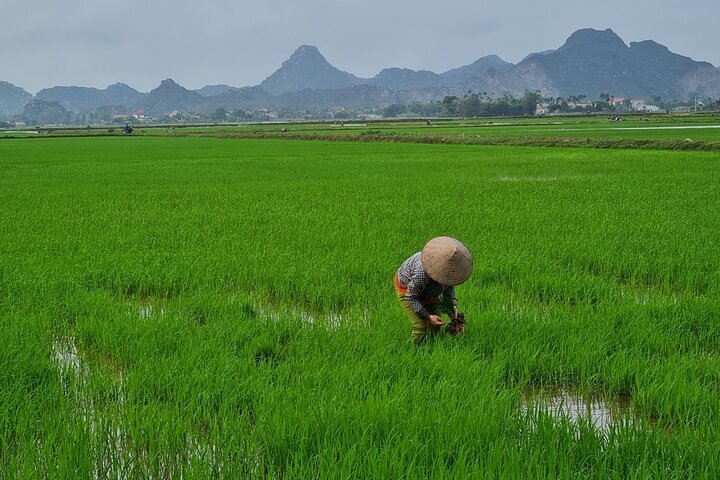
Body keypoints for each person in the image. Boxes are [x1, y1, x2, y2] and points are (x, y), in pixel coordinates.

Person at [394, 236, 472, 344]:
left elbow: (449, 288)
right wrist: (427, 315)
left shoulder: (451, 271)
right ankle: (413, 351)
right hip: (407, 290)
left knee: (436, 326)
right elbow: (410, 296)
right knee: (420, 326)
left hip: (428, 292)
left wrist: (452, 309)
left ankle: (430, 346)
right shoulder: (422, 273)